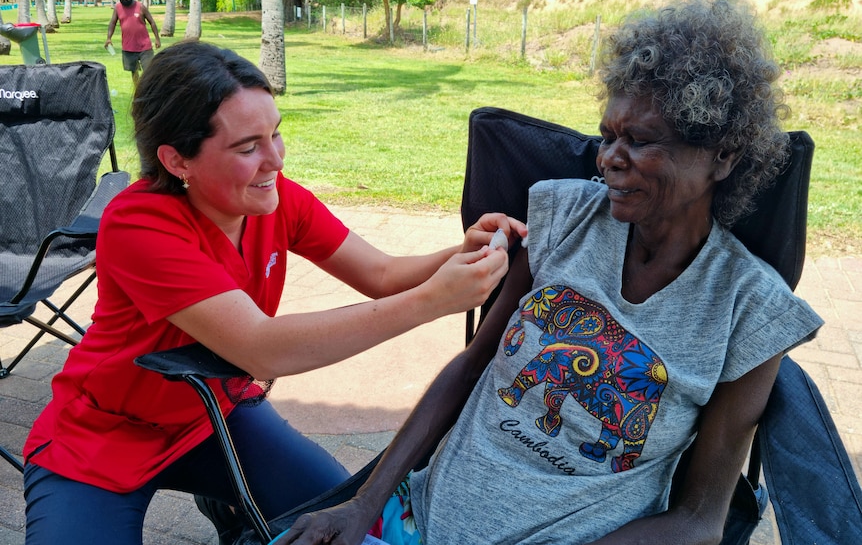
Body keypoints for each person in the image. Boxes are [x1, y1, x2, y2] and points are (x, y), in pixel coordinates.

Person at [281, 0, 824, 545]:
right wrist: (360, 503)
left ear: (724, 155)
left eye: (639, 141)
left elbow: (700, 521)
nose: (609, 157)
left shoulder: (750, 309)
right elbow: (473, 365)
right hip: (415, 518)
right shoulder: (563, 216)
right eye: (609, 136)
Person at [22, 40, 525, 545]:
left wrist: (462, 252)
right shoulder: (139, 225)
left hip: (213, 416)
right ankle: (234, 507)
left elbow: (383, 273)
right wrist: (432, 301)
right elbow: (261, 347)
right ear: (177, 161)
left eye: (275, 134)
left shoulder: (275, 202)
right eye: (248, 147)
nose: (276, 160)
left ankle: (231, 509)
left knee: (346, 520)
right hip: (104, 435)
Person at [105, 0, 161, 85]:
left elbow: (152, 22)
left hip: (145, 46)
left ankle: (149, 90)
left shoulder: (140, 7)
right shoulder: (117, 8)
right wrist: (109, 38)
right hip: (128, 46)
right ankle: (137, 91)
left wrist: (157, 39)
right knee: (134, 72)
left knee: (149, 71)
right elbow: (112, 22)